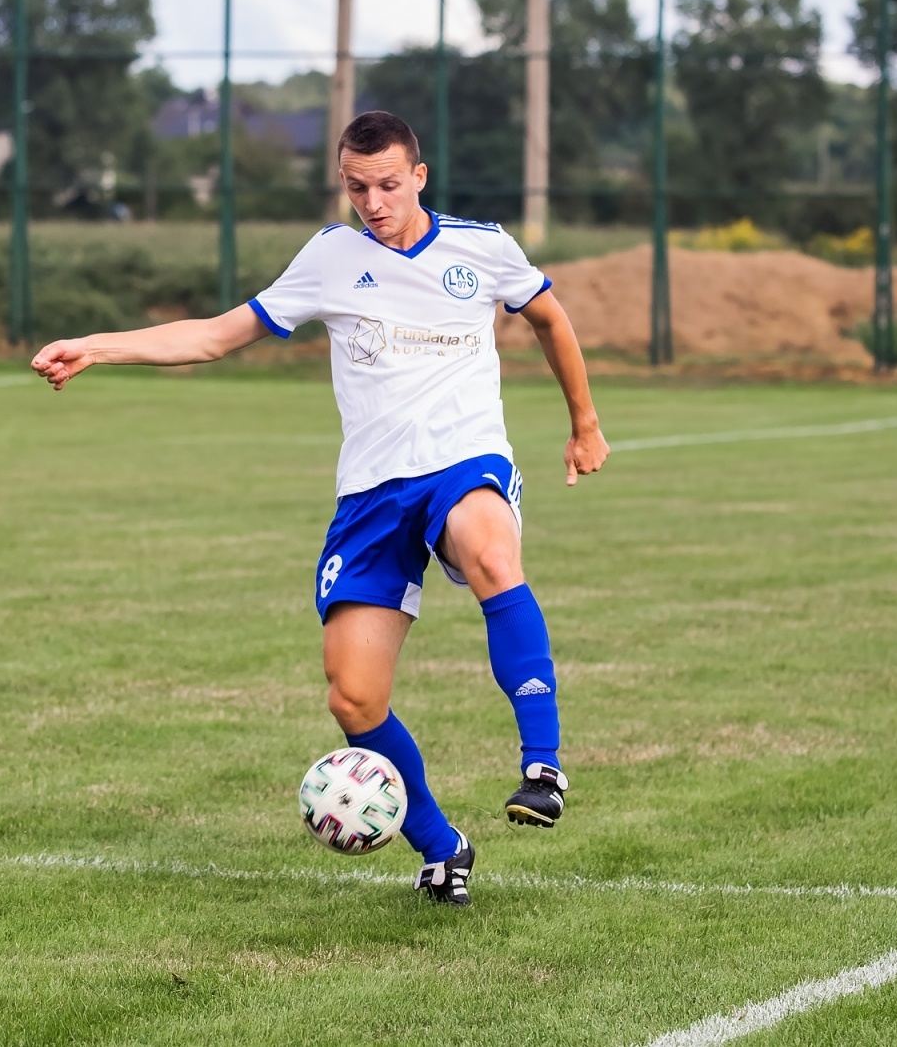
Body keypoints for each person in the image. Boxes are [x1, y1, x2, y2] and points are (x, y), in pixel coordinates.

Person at [32, 112, 608, 905]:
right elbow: (215, 336)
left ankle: (542, 765)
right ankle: (443, 847)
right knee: (354, 697)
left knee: (489, 552)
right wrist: (98, 346)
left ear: (419, 177)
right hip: (372, 492)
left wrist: (585, 423)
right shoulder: (331, 257)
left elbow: (548, 315)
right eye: (356, 187)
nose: (373, 202)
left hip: (463, 460)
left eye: (388, 185)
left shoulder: (482, 248)